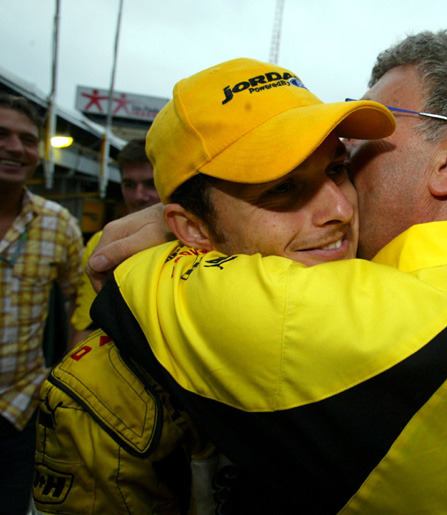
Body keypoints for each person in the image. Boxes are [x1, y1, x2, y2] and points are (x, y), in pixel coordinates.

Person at [78, 29, 447, 513]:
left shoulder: (368, 325)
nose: (347, 148)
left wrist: (183, 230)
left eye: (373, 127)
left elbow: (123, 273)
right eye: (282, 185)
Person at [33, 57, 398, 513]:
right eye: (282, 188)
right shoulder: (108, 394)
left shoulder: (407, 281)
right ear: (192, 228)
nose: (340, 209)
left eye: (336, 169)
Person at [0, 93, 83, 514]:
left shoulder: (58, 224)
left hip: (20, 411)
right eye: (3, 135)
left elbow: (80, 303)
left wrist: (63, 383)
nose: (16, 148)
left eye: (28, 140)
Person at [70, 138, 160, 344]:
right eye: (129, 184)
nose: (139, 196)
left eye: (151, 184)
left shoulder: (199, 238)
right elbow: (87, 325)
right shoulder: (101, 242)